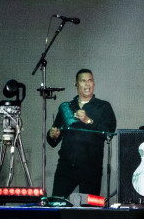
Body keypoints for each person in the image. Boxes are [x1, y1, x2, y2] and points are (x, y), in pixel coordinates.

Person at [46, 69, 117, 197]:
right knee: (57, 204)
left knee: (89, 211)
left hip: (91, 168)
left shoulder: (103, 107)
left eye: (90, 80)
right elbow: (53, 140)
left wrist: (88, 120)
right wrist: (52, 135)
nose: (87, 84)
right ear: (76, 84)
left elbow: (109, 133)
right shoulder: (67, 107)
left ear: (94, 83)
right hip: (66, 166)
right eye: (83, 81)